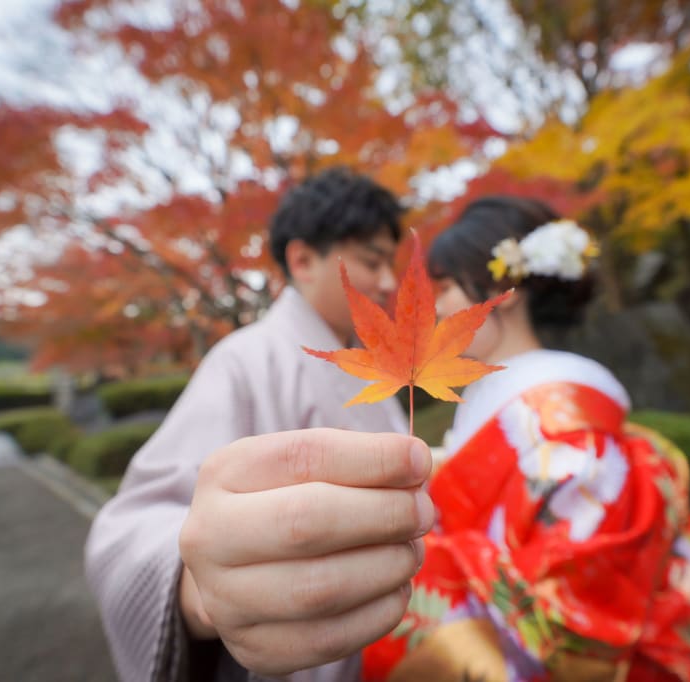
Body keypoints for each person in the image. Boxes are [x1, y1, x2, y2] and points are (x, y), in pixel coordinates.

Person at [363, 196, 690, 681]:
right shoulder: (505, 406)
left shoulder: (571, 437)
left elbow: (576, 620)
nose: (436, 307)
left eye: (448, 286)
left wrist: (433, 552)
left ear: (506, 290)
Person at [85, 167, 435, 682]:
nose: (388, 282)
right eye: (371, 261)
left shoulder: (370, 367)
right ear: (302, 260)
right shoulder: (245, 361)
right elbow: (127, 529)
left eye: (391, 263)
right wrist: (200, 590)